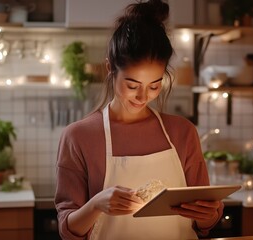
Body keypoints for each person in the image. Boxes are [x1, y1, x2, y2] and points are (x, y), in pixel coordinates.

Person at [54, 0, 224, 239]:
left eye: (155, 85)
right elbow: (68, 230)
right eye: (132, 85)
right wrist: (95, 205)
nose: (143, 96)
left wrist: (208, 214)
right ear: (110, 69)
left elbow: (206, 222)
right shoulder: (79, 136)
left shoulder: (182, 132)